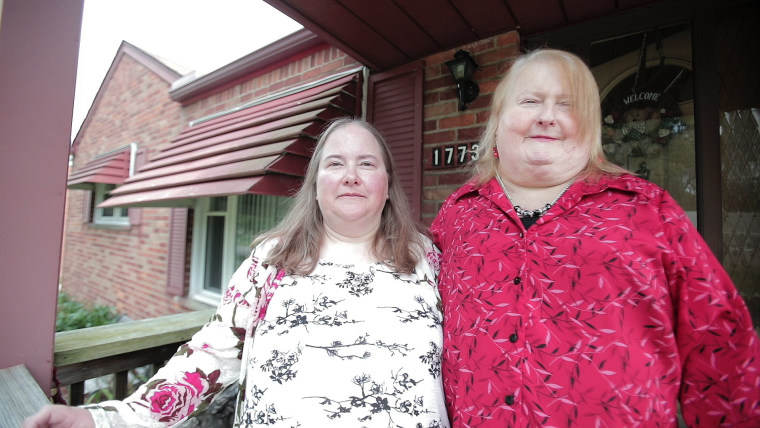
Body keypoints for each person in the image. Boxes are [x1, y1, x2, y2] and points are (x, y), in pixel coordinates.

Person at [25, 118, 449, 428]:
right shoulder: (272, 261)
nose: (351, 177)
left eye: (367, 164)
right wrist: (102, 420)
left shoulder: (429, 260)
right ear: (315, 184)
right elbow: (210, 358)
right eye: (335, 164)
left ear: (388, 184)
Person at [431, 49, 760, 427]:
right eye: (530, 101)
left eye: (567, 105)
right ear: (498, 118)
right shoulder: (457, 216)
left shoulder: (647, 210)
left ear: (589, 125)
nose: (547, 116)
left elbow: (721, 347)